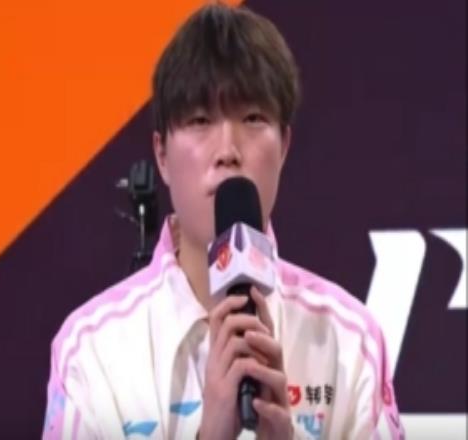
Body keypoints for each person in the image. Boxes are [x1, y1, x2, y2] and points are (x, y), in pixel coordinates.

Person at [43, 3, 404, 439]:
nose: (228, 151)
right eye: (200, 121)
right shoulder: (92, 353)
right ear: (162, 154)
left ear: (284, 146)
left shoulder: (349, 344)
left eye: (252, 118)